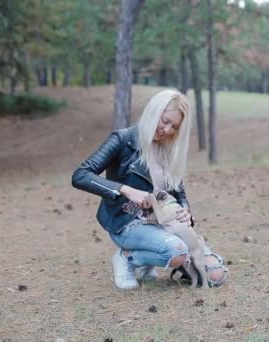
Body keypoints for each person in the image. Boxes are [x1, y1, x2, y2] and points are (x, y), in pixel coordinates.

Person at [72, 89, 228, 290]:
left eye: (174, 127)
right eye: (164, 120)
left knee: (216, 275)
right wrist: (126, 190)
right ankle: (127, 257)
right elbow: (80, 175)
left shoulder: (167, 149)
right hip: (128, 222)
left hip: (166, 223)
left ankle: (154, 259)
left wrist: (185, 210)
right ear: (154, 111)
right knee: (177, 252)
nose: (167, 129)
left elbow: (178, 191)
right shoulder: (123, 139)